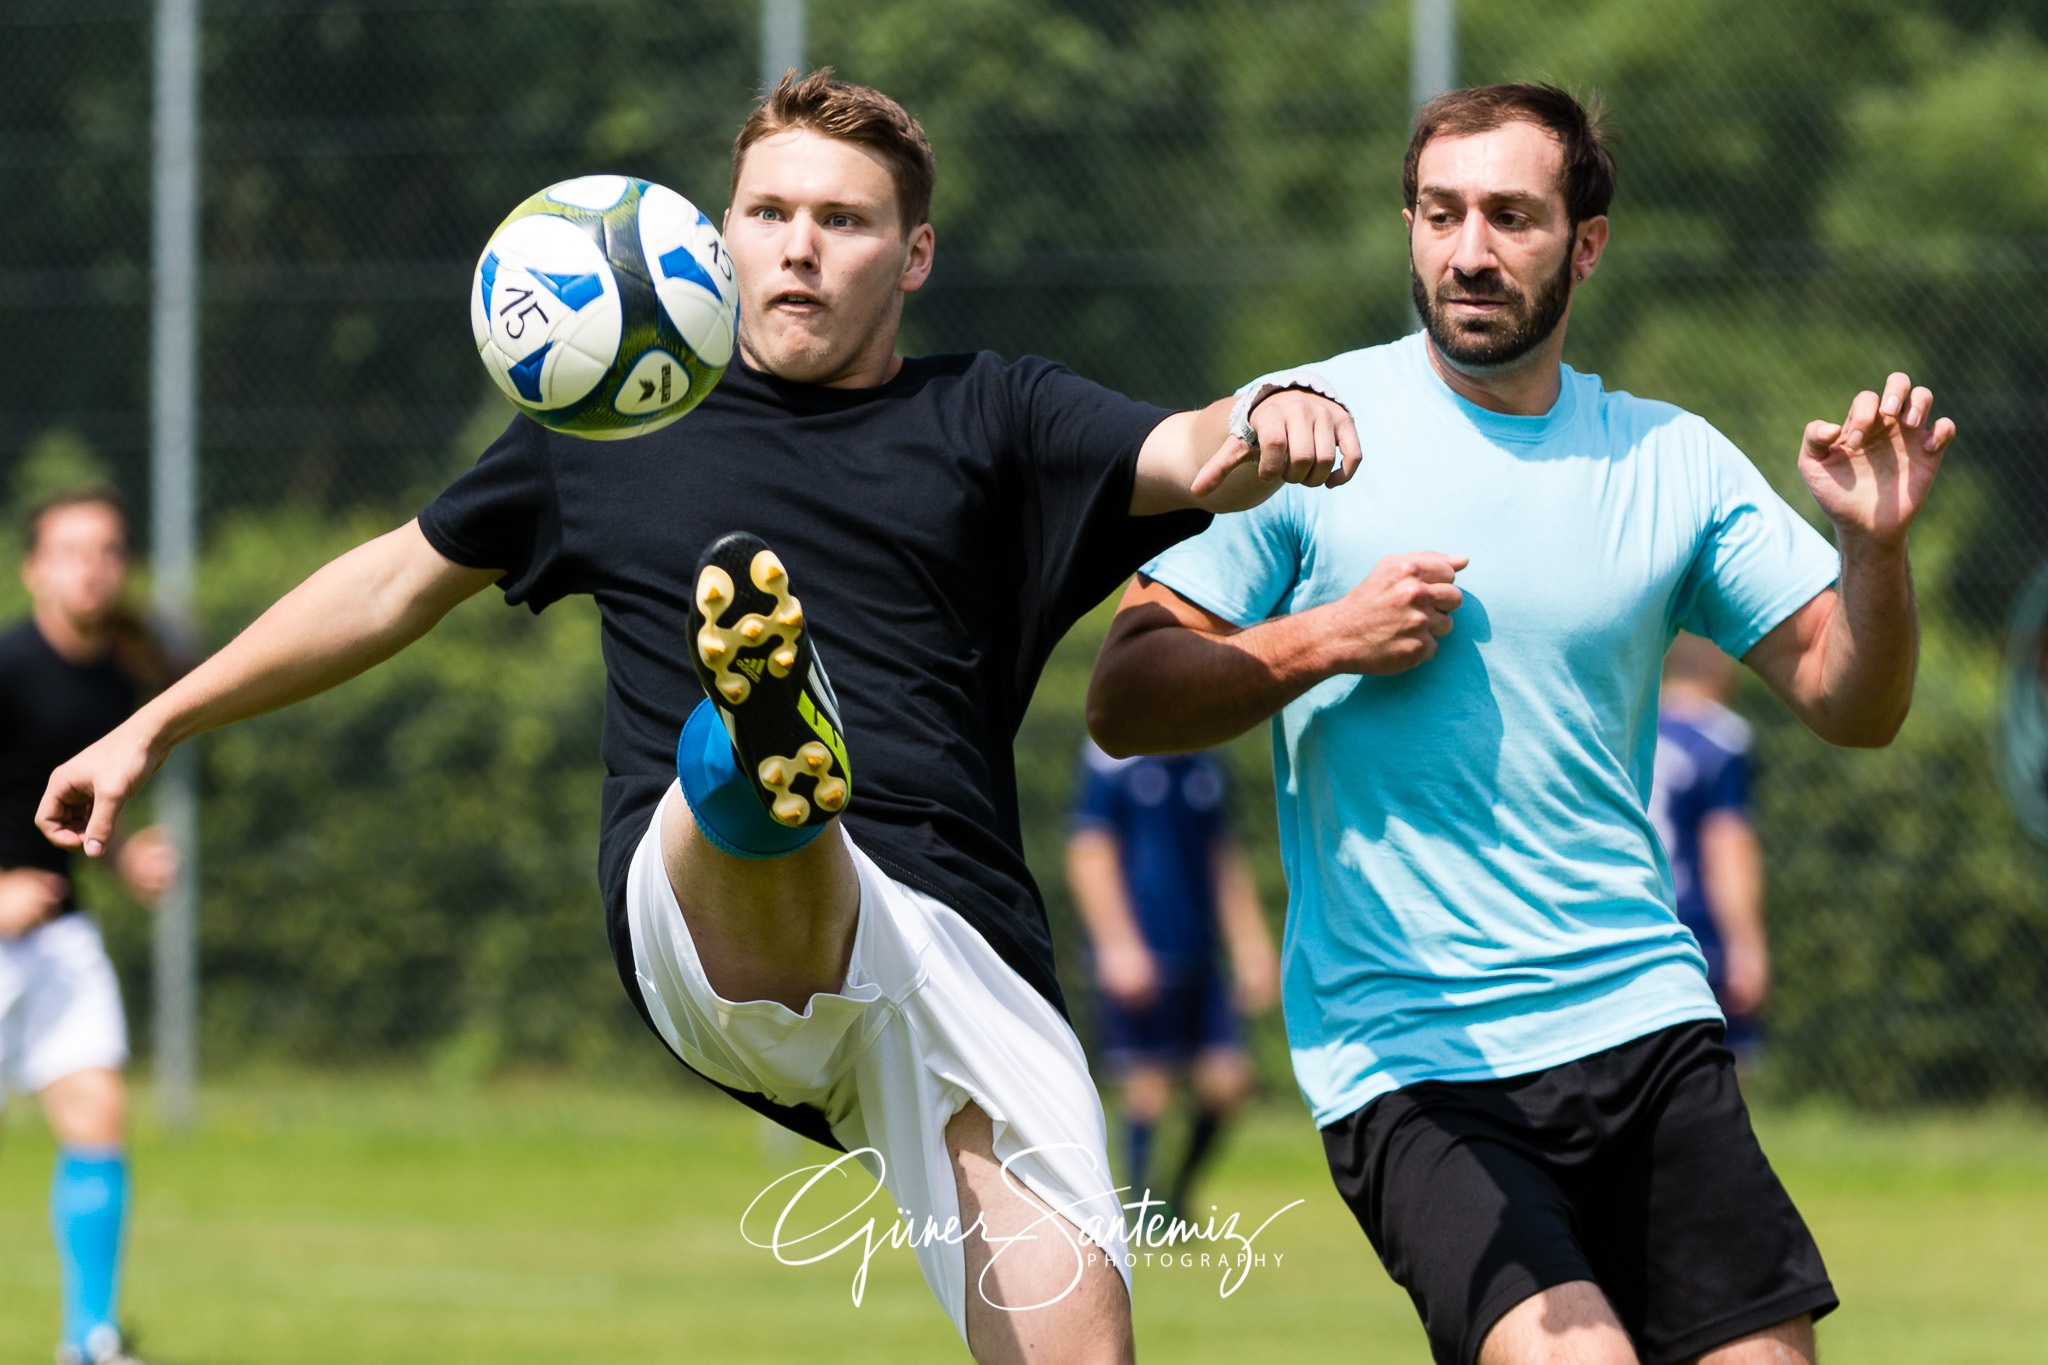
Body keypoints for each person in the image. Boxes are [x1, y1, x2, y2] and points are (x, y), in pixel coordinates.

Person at [38, 71, 1357, 1363]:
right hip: (704, 902)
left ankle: (771, 741)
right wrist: (152, 724)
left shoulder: (993, 413)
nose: (799, 247)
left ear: (913, 255)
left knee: (1083, 1346)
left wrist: (1270, 411)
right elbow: (388, 582)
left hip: (958, 938)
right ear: (720, 235)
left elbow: (1192, 448)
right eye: (769, 212)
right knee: (760, 803)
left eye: (843, 220)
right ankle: (759, 739)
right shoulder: (609, 423)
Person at [1085, 83, 1954, 1365]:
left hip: (1642, 1017)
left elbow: (1852, 702)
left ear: (1583, 245)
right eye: (1439, 213)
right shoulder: (1307, 427)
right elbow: (1123, 694)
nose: (1468, 250)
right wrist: (1325, 637)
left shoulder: (1669, 461)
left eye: (1509, 215)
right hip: (1410, 1052)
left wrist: (1871, 552)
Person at [3, 488, 177, 1365]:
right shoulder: (7, 666)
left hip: (58, 933)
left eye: (107, 549)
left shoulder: (117, 677)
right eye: (70, 550)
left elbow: (68, 804)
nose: (92, 567)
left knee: (99, 1112)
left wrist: (122, 855)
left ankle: (89, 1341)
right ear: (32, 570)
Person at [1064, 741, 1277, 1219]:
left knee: (1228, 1081)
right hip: (1142, 951)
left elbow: (1223, 857)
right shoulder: (1113, 758)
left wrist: (1250, 944)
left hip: (1199, 954)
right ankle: (1140, 1208)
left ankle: (1176, 1196)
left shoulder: (1205, 764)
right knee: (1148, 1085)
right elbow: (1090, 851)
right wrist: (1117, 944)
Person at [1651, 633, 1767, 1057]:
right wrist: (1746, 944)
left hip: (1626, 922)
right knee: (1718, 1074)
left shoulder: (1629, 729)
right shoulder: (1721, 738)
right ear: (1720, 667)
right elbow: (1726, 845)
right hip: (1695, 929)